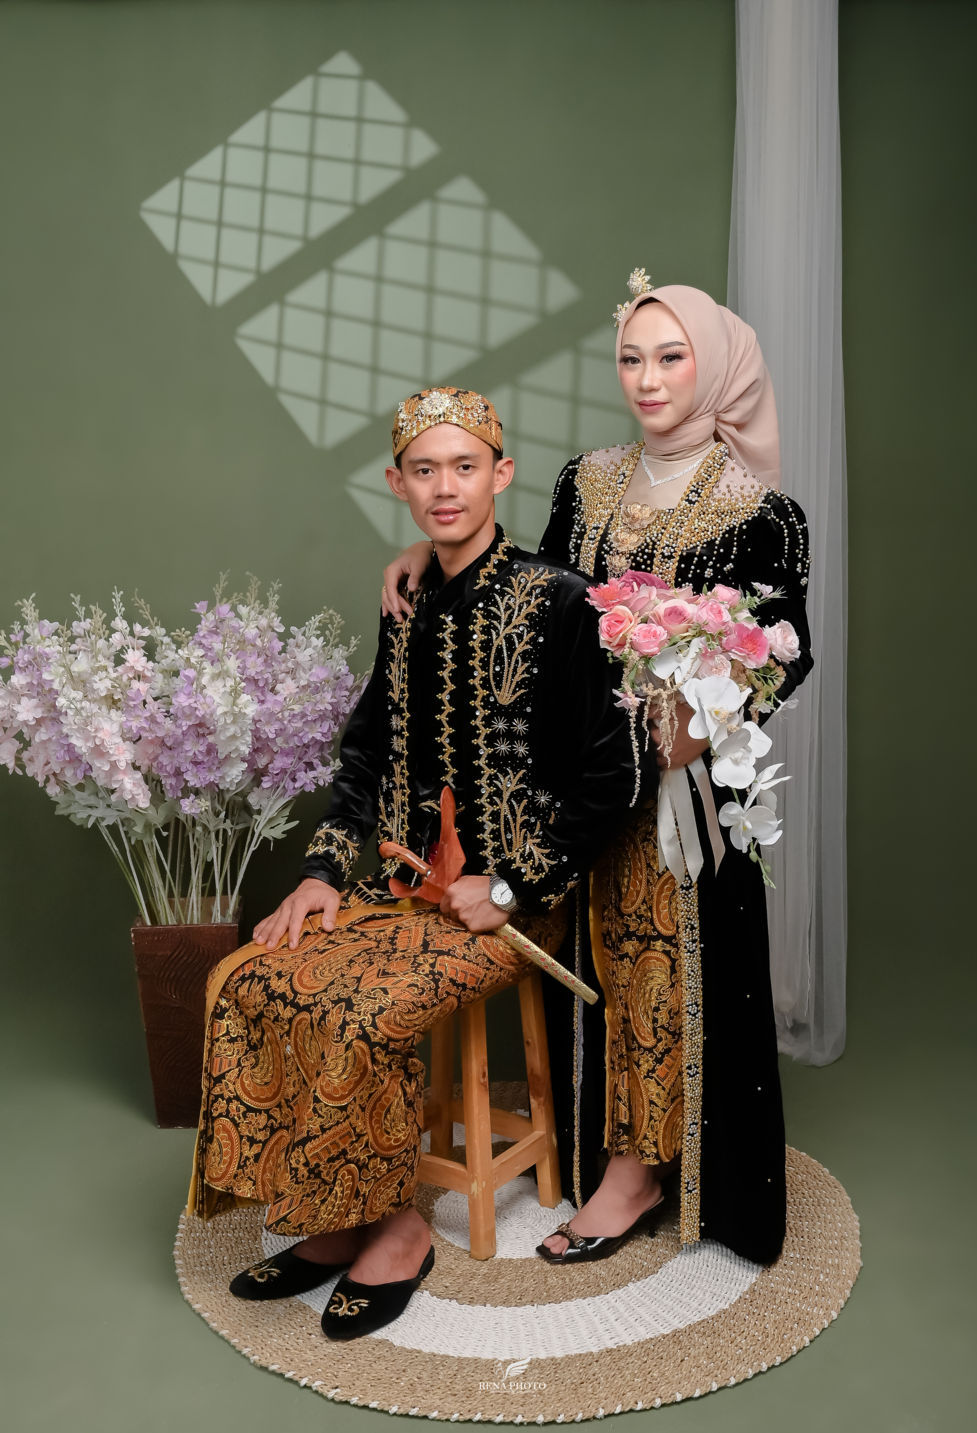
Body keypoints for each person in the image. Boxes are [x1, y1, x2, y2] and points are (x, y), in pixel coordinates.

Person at [188, 386, 643, 1340]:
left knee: (363, 1006)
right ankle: (334, 1215)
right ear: (398, 484)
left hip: (512, 903)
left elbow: (614, 774)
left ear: (500, 475)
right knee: (251, 976)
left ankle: (399, 1228)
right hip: (398, 889)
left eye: (464, 467)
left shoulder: (560, 600)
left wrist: (511, 884)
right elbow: (365, 756)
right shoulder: (406, 602)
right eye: (424, 470)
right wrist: (319, 873)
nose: (446, 487)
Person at [382, 276, 814, 1268]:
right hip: (585, 777)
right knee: (596, 965)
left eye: (671, 357)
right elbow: (538, 598)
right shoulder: (588, 480)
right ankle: (609, 1146)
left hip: (683, 789)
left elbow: (784, 649)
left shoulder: (763, 511)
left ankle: (640, 1170)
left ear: (715, 366)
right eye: (630, 358)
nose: (647, 379)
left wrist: (698, 726)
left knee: (662, 964)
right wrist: (431, 545)